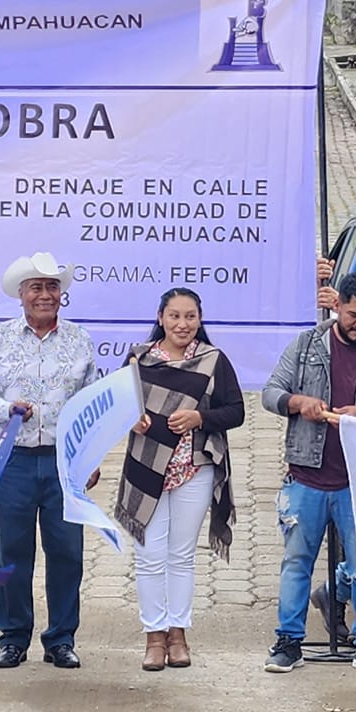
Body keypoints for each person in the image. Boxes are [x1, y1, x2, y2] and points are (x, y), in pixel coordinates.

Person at [261, 270, 356, 676]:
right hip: (306, 475)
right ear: (337, 305)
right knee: (296, 562)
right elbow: (270, 393)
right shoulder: (306, 345)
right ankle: (288, 642)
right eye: (354, 315)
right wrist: (297, 402)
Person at [0, 252, 98, 670]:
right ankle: (13, 637)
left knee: (67, 553)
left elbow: (92, 402)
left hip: (63, 463)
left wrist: (91, 457)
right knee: (13, 553)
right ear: (21, 295)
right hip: (14, 461)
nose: (45, 294)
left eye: (52, 287)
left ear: (62, 294)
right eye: (36, 287)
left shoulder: (80, 340)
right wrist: (5, 408)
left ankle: (61, 638)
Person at [116, 288, 246, 672]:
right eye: (174, 316)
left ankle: (178, 634)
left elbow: (235, 410)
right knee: (149, 555)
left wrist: (199, 419)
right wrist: (133, 417)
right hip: (146, 468)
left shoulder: (213, 361)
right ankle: (154, 637)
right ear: (160, 318)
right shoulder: (139, 359)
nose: (182, 324)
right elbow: (118, 404)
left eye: (190, 317)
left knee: (181, 555)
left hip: (194, 468)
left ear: (200, 320)